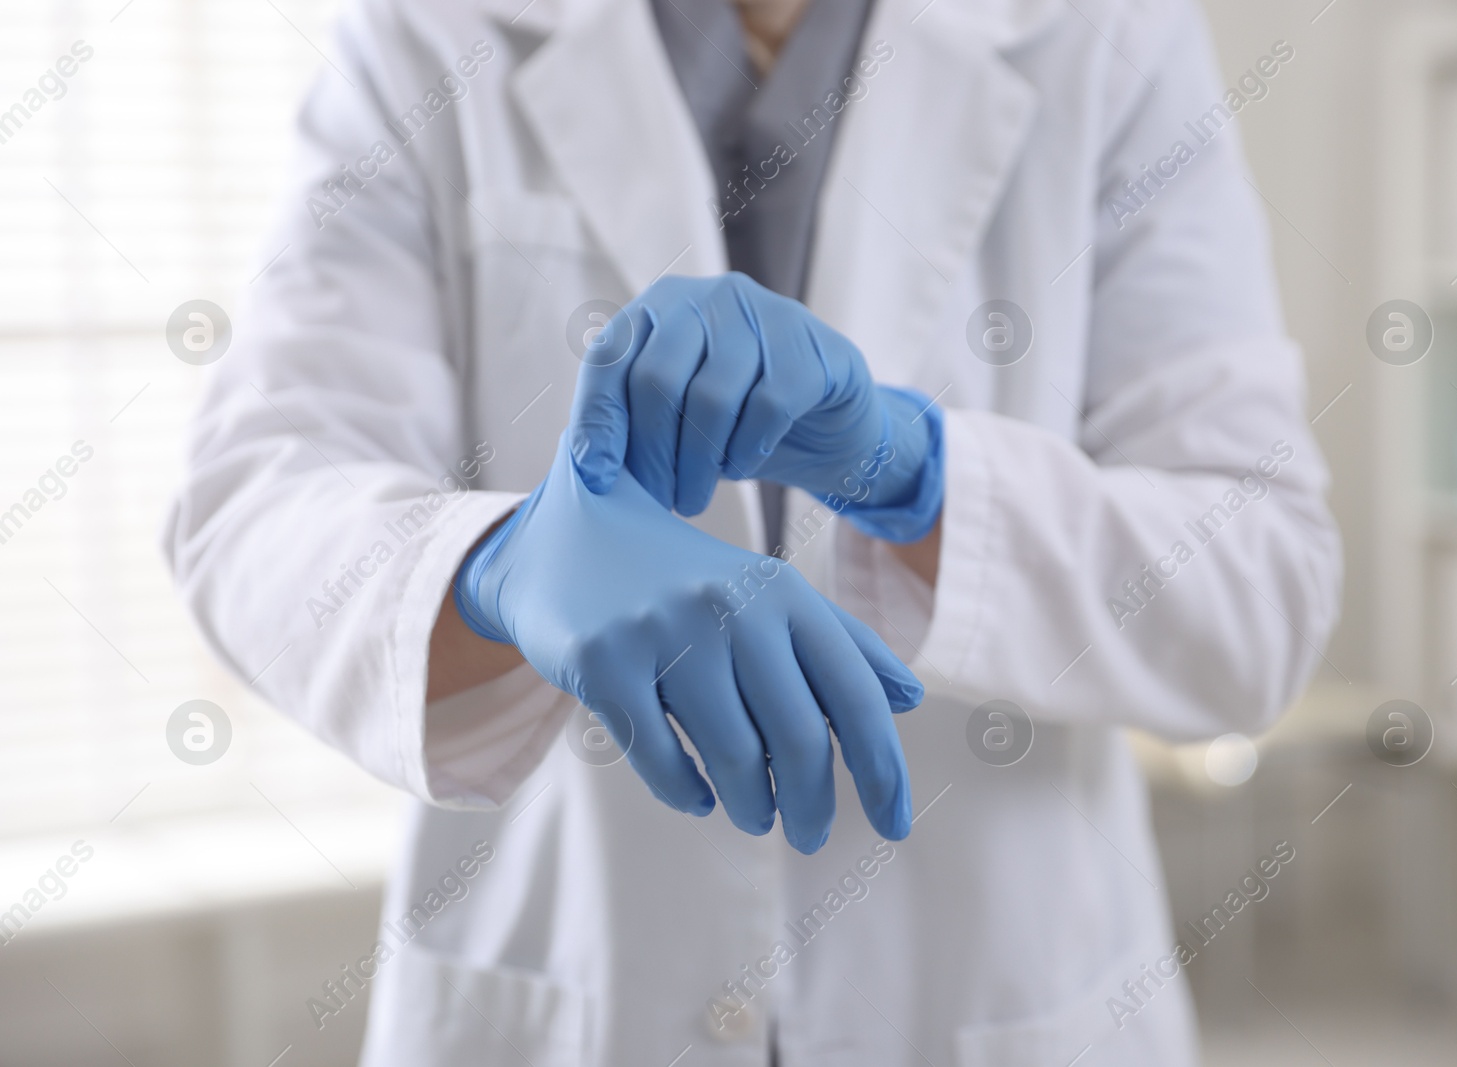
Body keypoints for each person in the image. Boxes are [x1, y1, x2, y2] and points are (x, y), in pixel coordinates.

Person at [164, 0, 1341, 1061]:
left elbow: (1261, 585)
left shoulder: (1106, 33)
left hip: (995, 992)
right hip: (565, 988)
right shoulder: (426, 31)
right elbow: (253, 497)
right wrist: (499, 571)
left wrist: (916, 471)